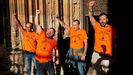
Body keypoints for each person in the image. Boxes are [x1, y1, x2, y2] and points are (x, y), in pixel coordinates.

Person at [88, 1, 113, 75]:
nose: (102, 21)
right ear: (99, 20)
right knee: (95, 70)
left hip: (107, 54)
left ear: (107, 20)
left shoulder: (112, 29)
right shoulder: (97, 26)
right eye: (101, 19)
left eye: (104, 19)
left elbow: (116, 43)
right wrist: (90, 7)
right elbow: (91, 17)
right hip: (96, 53)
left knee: (105, 71)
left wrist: (115, 56)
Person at [34, 10, 59, 75]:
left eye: (52, 32)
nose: (49, 32)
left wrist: (57, 59)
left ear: (53, 34)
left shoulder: (54, 42)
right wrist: (37, 14)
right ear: (47, 30)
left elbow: (57, 51)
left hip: (49, 62)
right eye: (49, 30)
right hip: (39, 62)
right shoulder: (42, 33)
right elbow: (37, 24)